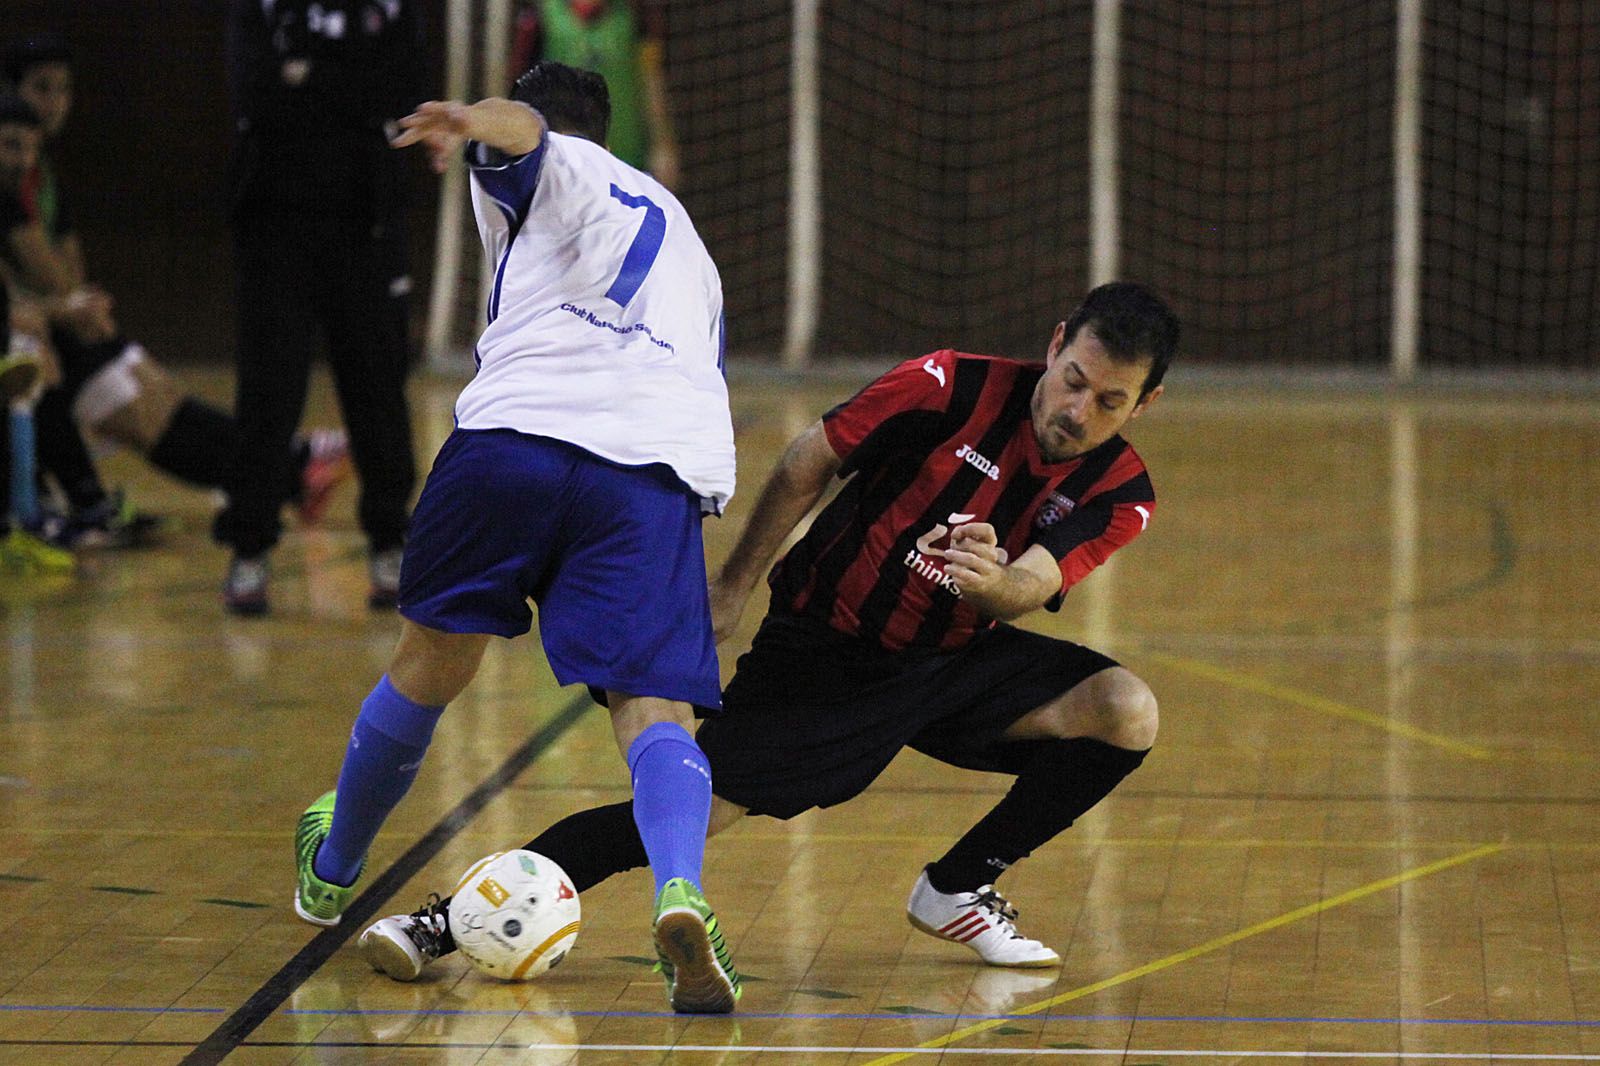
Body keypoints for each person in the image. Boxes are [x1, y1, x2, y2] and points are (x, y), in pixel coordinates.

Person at [359, 281, 1177, 984]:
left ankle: (957, 889)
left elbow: (1033, 583)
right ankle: (447, 922)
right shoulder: (947, 385)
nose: (1078, 410)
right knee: (687, 814)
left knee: (1124, 709)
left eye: (1109, 402)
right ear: (1056, 344)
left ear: (1146, 404)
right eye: (1073, 380)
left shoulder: (1122, 488)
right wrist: (732, 586)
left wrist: (995, 584)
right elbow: (805, 462)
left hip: (956, 659)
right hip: (826, 653)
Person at [293, 61, 741, 1014]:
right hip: (651, 469)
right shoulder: (687, 241)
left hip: (518, 438)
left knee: (430, 664)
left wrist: (471, 117)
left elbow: (525, 136)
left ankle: (333, 865)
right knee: (653, 707)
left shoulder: (551, 163)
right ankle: (679, 888)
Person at [0, 44, 350, 552]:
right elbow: (38, 277)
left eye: (63, 90)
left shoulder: (38, 172)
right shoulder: (13, 180)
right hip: (30, 329)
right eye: (41, 88)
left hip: (43, 321)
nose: (54, 104)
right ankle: (284, 469)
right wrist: (64, 307)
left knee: (144, 380)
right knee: (119, 393)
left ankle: (286, 465)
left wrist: (74, 303)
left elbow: (65, 267)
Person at [218, 0, 421, 613]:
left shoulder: (386, 9)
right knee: (267, 392)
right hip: (274, 226)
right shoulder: (261, 9)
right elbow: (254, 91)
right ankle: (249, 549)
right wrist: (340, 87)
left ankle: (390, 542)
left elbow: (398, 90)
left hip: (365, 226)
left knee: (378, 388)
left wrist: (306, 75)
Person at [512, 0, 678, 188]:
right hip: (563, 164)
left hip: (626, 159)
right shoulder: (539, 18)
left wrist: (663, 144)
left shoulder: (631, 16)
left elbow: (651, 82)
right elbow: (520, 95)